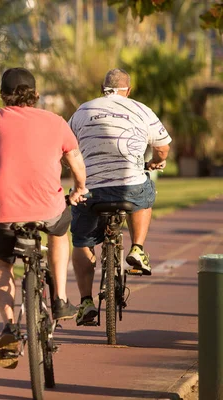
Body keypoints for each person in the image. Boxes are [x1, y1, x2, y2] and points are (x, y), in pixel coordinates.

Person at [0, 67, 88, 369]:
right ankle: (60, 298)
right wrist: (80, 188)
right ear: (35, 94)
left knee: (2, 263)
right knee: (60, 233)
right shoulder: (55, 122)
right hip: (48, 208)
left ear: (2, 95)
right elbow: (75, 160)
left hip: (4, 213)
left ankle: (10, 326)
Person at [68, 68, 171, 326]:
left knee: (81, 241)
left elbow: (66, 149)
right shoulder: (141, 109)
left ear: (102, 89)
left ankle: (86, 303)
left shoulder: (82, 111)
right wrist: (157, 162)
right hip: (129, 187)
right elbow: (161, 147)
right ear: (129, 89)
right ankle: (137, 248)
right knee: (143, 190)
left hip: (91, 190)